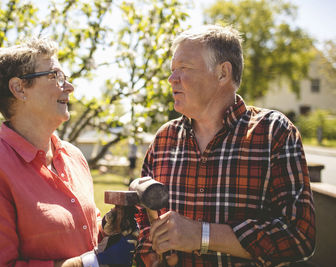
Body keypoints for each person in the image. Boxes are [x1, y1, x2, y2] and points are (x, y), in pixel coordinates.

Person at [135, 25, 316, 266]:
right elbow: (144, 221)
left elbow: (299, 237)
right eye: (172, 70)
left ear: (222, 73)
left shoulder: (274, 132)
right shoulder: (164, 138)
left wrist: (202, 235)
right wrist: (152, 250)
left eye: (183, 68)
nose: (171, 79)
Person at [0, 37, 136, 267]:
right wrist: (92, 264)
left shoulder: (74, 157)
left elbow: (84, 233)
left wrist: (110, 228)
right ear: (19, 88)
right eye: (56, 76)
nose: (69, 87)